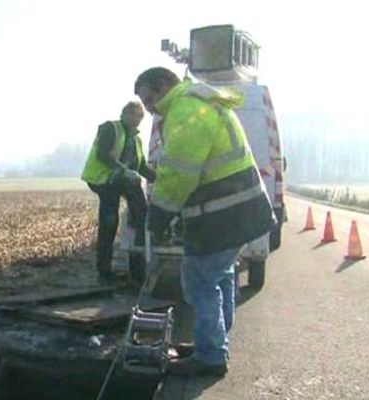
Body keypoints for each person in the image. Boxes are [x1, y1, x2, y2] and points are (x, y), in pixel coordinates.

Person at [134, 67, 275, 377]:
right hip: (239, 212)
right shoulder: (200, 101)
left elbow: (180, 174)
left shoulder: (186, 110)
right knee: (220, 277)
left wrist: (159, 213)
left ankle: (210, 356)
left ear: (162, 88)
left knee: (199, 281)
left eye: (148, 100)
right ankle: (212, 344)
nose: (149, 108)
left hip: (224, 216)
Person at [81, 101, 156, 281]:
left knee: (141, 214)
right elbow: (103, 154)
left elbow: (141, 166)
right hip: (103, 179)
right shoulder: (110, 128)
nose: (136, 119)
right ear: (124, 114)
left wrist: (160, 178)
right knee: (109, 222)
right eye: (133, 114)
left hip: (121, 180)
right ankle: (104, 270)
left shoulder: (136, 139)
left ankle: (139, 258)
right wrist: (125, 170)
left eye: (140, 116)